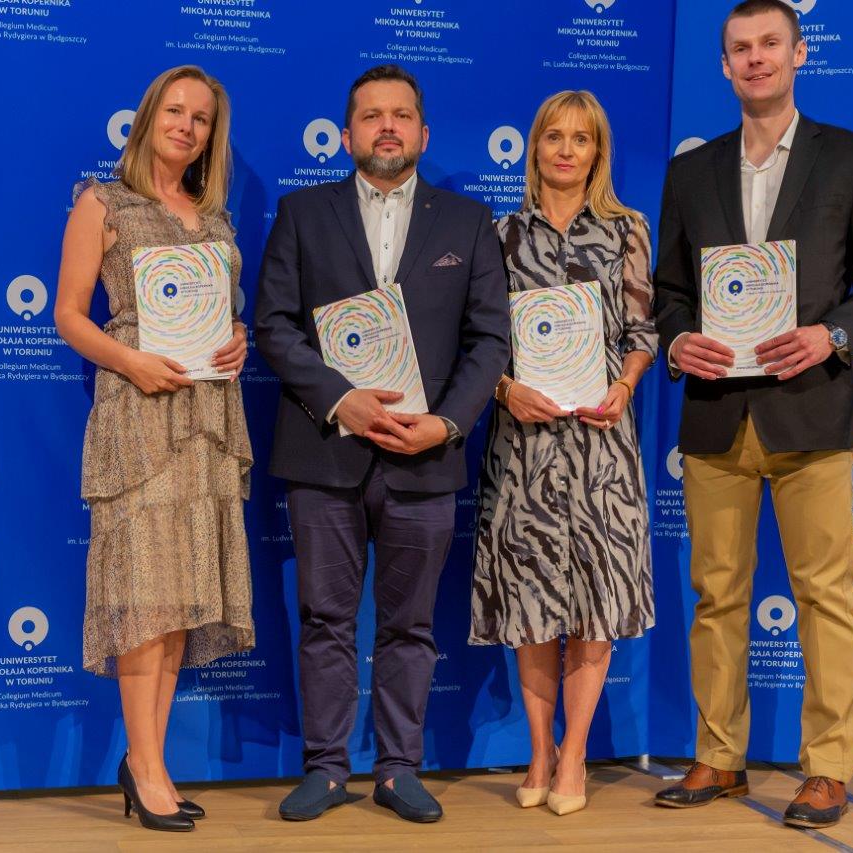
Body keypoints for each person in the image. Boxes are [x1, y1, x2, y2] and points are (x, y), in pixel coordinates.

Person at [651, 0, 853, 828]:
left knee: (825, 596)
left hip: (812, 411)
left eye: (770, 44)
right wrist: (677, 339)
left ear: (799, 54)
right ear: (724, 65)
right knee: (715, 596)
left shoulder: (852, 157)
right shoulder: (691, 170)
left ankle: (827, 767)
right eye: (740, 48)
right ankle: (719, 755)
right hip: (716, 415)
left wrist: (833, 334)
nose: (755, 58)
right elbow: (668, 292)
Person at [254, 64, 510, 824]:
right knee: (325, 618)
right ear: (347, 135)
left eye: (401, 115)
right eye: (372, 115)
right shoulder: (302, 213)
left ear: (424, 134)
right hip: (324, 451)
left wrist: (447, 422)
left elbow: (490, 339)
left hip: (425, 456)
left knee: (411, 625)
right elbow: (273, 324)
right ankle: (327, 769)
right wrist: (342, 399)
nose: (387, 127)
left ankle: (398, 769)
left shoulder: (468, 221)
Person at [54, 65, 253, 833]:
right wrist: (131, 361)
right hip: (138, 416)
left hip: (207, 420)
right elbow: (70, 314)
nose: (187, 126)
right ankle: (143, 767)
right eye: (175, 110)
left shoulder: (214, 217)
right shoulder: (102, 203)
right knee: (144, 597)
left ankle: (151, 762)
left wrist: (237, 339)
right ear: (147, 118)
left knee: (176, 601)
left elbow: (224, 314)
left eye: (201, 118)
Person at [471, 90, 657, 817]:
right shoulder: (499, 234)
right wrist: (504, 389)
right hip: (523, 445)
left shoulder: (627, 229)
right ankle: (539, 750)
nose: (567, 150)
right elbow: (480, 342)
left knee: (595, 600)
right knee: (531, 599)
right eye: (555, 136)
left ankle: (575, 753)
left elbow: (642, 331)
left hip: (601, 443)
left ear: (598, 151)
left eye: (581, 138)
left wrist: (624, 385)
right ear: (536, 147)